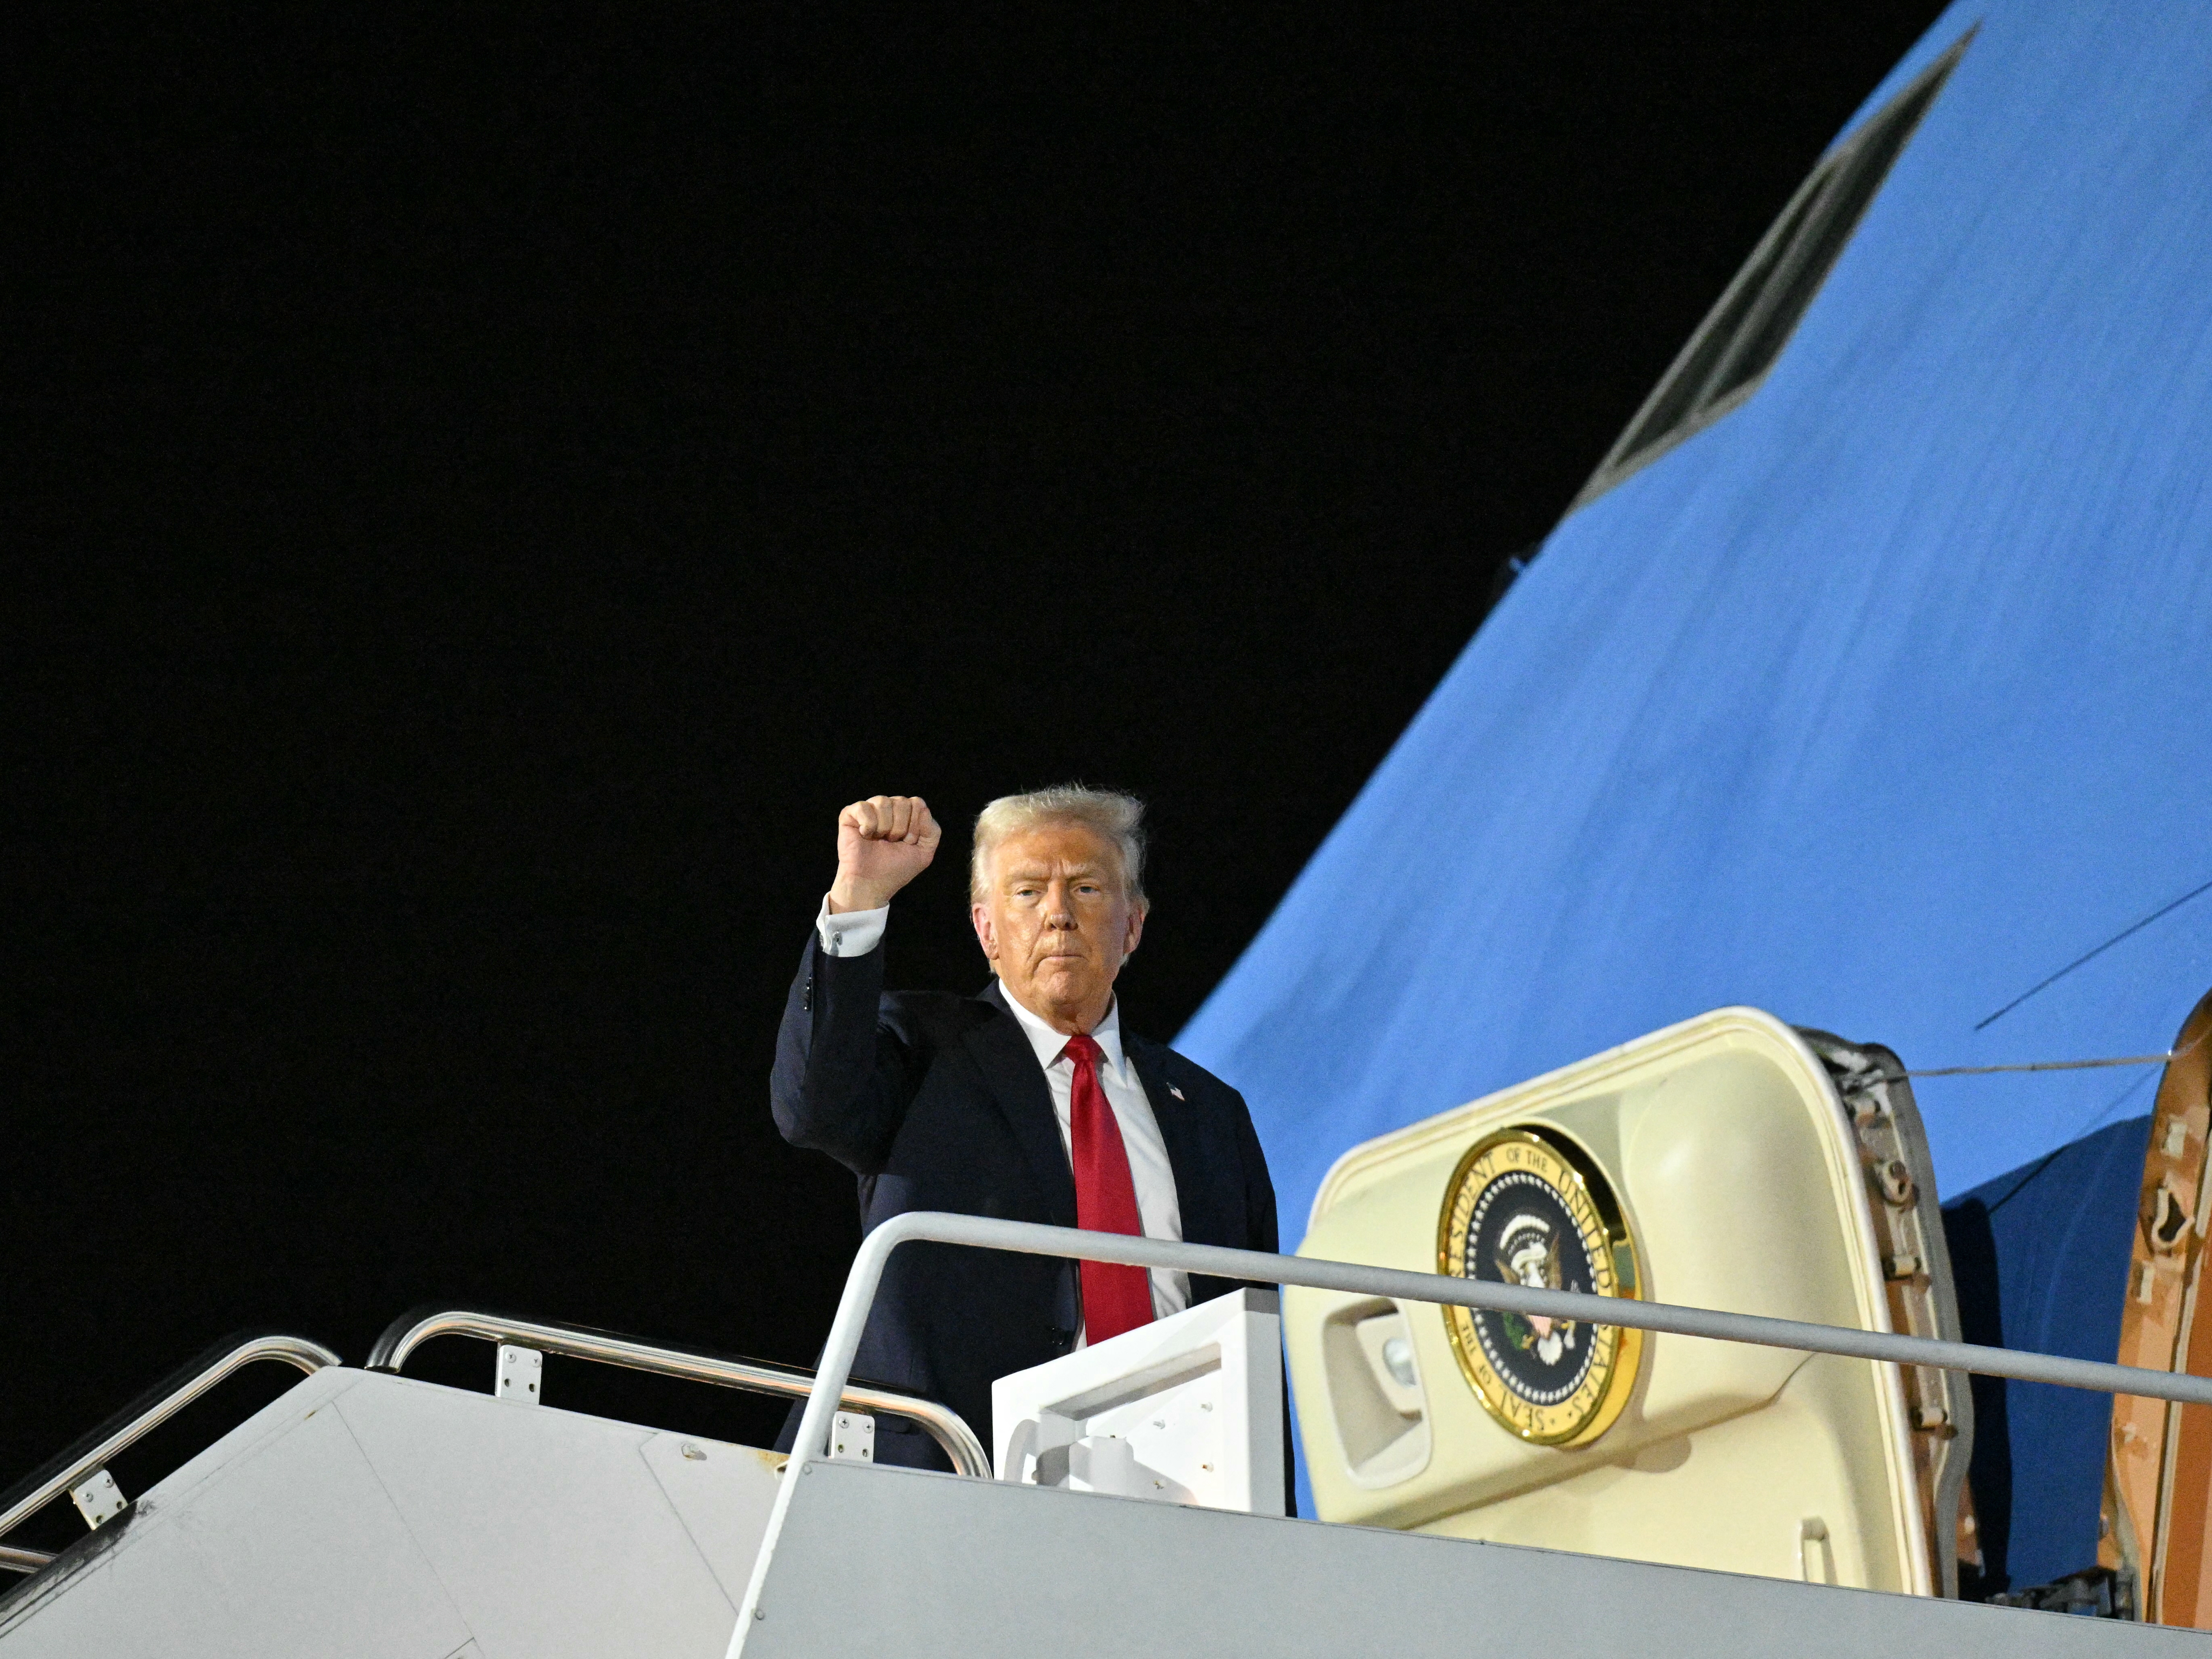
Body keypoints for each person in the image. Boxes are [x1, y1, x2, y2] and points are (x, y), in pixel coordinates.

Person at [771, 785, 1280, 1472]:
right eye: (1028, 893)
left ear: (1132, 926)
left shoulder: (1211, 1112)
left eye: (1088, 889)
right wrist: (859, 896)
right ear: (986, 931)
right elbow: (812, 1108)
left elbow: (1253, 1325)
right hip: (957, 1470)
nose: (1059, 915)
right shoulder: (922, 1051)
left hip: (1179, 1478)